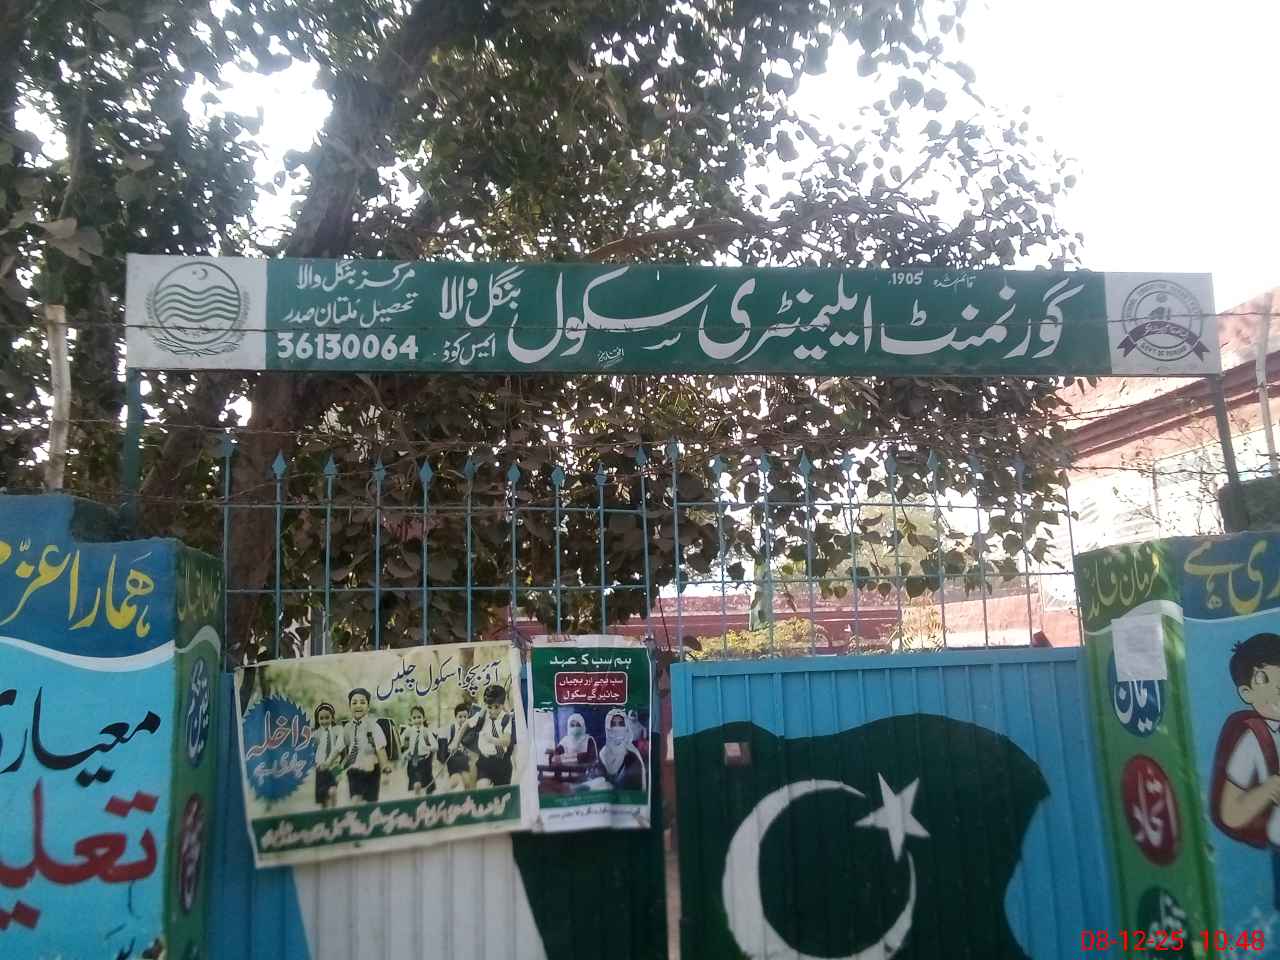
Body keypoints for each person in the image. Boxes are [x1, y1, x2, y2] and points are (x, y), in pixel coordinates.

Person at [1211, 632, 1280, 909]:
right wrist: (1269, 789)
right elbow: (1230, 813)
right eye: (1265, 679)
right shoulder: (1255, 740)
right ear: (1246, 693)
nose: (1278, 687)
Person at [343, 687, 392, 803]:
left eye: (362, 702)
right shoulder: (347, 728)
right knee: (355, 800)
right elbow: (346, 747)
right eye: (354, 703)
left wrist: (385, 769)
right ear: (349, 706)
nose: (358, 705)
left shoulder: (374, 727)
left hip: (371, 771)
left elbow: (380, 749)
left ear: (368, 707)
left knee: (370, 803)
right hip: (354, 770)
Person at [581, 707, 646, 792]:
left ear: (626, 727)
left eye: (621, 724)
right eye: (613, 724)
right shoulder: (603, 754)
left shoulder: (632, 754)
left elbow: (636, 786)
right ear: (607, 727)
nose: (617, 728)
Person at [475, 684, 517, 787]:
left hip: (502, 763)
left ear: (502, 705)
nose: (493, 711)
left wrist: (492, 740)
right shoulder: (482, 716)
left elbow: (507, 741)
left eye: (496, 707)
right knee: (482, 787)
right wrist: (456, 742)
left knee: (501, 793)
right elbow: (467, 724)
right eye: (490, 707)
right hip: (485, 761)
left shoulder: (506, 719)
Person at [438, 701, 480, 791]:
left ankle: (469, 796)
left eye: (465, 717)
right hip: (454, 762)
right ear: (455, 718)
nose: (463, 719)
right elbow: (443, 749)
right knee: (455, 780)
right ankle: (445, 790)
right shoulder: (451, 729)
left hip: (466, 762)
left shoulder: (470, 731)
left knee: (468, 781)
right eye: (460, 717)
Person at [312, 702, 345, 809]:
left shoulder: (338, 730)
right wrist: (316, 764)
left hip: (335, 766)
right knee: (323, 798)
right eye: (321, 718)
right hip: (321, 768)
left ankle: (334, 811)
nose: (324, 721)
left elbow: (339, 747)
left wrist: (331, 763)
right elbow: (313, 751)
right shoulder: (316, 734)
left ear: (332, 717)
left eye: (327, 717)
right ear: (317, 720)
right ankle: (325, 814)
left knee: (333, 791)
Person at [401, 705, 435, 795]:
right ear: (411, 719)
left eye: (419, 717)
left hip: (425, 762)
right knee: (416, 784)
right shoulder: (408, 732)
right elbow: (401, 744)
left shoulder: (426, 732)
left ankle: (428, 801)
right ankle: (418, 800)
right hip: (413, 763)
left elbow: (435, 746)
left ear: (424, 718)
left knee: (428, 787)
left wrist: (429, 748)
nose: (417, 720)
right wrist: (405, 753)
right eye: (414, 718)